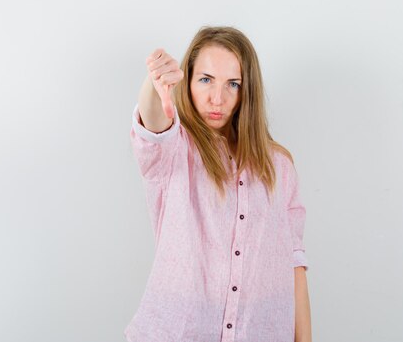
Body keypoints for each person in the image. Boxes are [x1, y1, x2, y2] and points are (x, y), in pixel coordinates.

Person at [125, 26, 312, 342]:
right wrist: (154, 85)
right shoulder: (176, 150)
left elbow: (294, 263)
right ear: (187, 81)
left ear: (246, 90)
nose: (217, 98)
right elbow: (153, 125)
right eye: (206, 79)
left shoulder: (279, 166)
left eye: (233, 84)